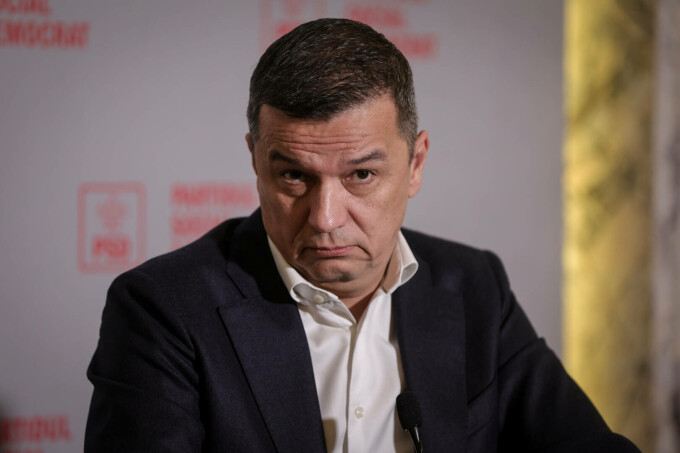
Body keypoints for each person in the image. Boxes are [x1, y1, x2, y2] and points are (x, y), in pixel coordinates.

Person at [85, 18, 639, 453]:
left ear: (415, 164)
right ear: (255, 160)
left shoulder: (474, 287)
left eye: (362, 175)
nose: (325, 218)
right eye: (293, 176)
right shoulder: (163, 308)